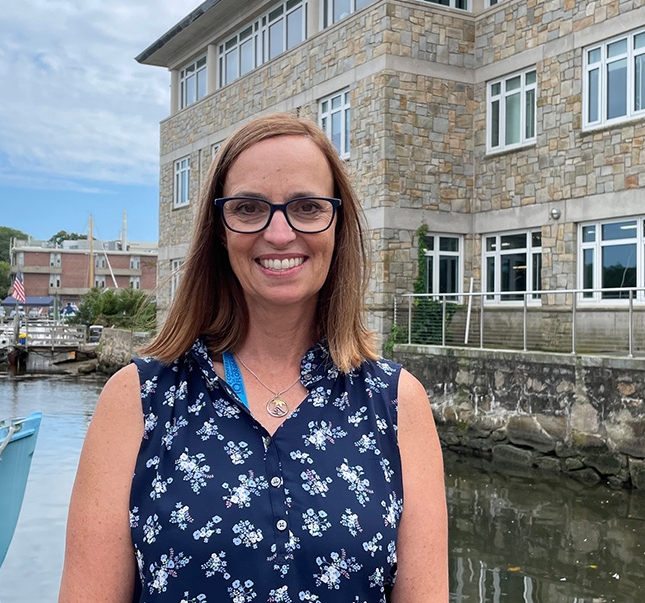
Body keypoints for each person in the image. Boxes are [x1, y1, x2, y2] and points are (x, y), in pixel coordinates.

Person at [59, 113, 448, 603]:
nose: (280, 234)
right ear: (220, 230)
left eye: (307, 207)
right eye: (248, 208)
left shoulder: (396, 404)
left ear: (338, 224)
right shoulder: (136, 401)